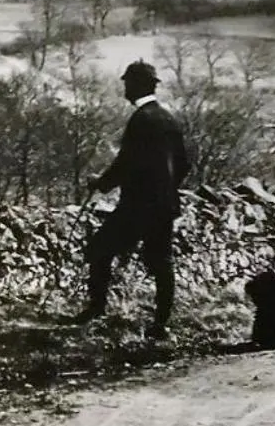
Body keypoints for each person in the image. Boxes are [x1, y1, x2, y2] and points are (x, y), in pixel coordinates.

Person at [70, 60, 191, 339]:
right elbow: (184, 164)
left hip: (137, 206)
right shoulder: (169, 119)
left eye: (127, 82)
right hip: (164, 206)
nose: (125, 87)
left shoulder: (141, 120)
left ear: (138, 85)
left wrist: (101, 184)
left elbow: (127, 163)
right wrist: (166, 189)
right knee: (162, 262)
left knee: (100, 250)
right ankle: (161, 324)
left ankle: (97, 309)